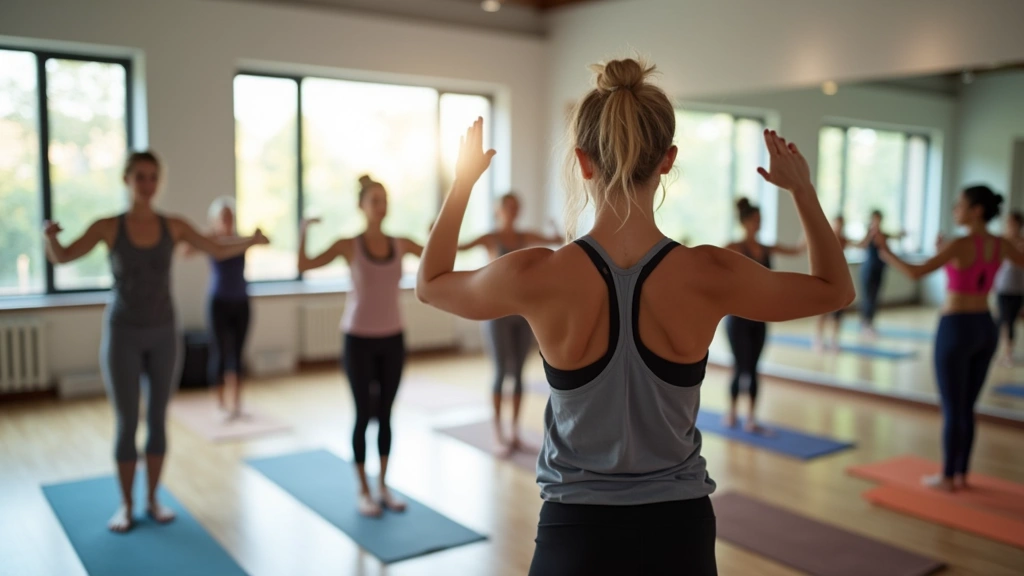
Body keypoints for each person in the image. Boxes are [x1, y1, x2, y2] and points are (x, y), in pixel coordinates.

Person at [416, 59, 853, 575]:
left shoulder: (538, 273)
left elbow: (431, 283)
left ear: (583, 162)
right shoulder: (709, 272)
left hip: (574, 533)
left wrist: (463, 183)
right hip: (679, 532)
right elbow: (835, 289)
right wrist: (802, 190)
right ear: (667, 160)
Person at [42, 151, 268, 532]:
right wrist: (49, 237)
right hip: (123, 334)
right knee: (128, 422)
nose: (147, 184)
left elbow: (216, 247)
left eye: (153, 177)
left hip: (164, 334)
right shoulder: (109, 226)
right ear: (126, 180)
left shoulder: (173, 225)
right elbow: (63, 257)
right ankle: (126, 505)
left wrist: (253, 240)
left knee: (159, 420)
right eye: (140, 177)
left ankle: (152, 499)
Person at [876, 185, 1024, 492]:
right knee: (967, 407)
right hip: (985, 326)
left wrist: (887, 254)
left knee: (953, 407)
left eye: (960, 205)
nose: (955, 209)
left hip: (956, 327)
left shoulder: (960, 244)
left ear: (977, 211)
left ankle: (947, 477)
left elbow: (916, 273)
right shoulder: (1001, 244)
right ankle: (961, 475)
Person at [298, 175, 423, 518]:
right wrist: (304, 229)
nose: (381, 206)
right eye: (374, 200)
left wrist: (439, 226)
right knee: (363, 414)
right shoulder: (348, 245)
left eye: (384, 200)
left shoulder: (401, 243)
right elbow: (304, 265)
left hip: (393, 338)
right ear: (361, 206)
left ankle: (382, 485)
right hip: (358, 340)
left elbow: (441, 255)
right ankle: (363, 490)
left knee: (386, 414)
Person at [458, 192, 562, 454]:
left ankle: (514, 431)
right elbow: (460, 247)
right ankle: (498, 433)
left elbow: (556, 241)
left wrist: (554, 229)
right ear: (498, 210)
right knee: (501, 371)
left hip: (523, 315)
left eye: (516, 207)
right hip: (497, 315)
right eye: (508, 207)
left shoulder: (525, 237)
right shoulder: (490, 238)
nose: (512, 211)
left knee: (518, 374)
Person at [723, 198, 805, 431]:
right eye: (755, 220)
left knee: (754, 368)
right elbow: (709, 266)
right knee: (740, 367)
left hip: (759, 319)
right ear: (745, 222)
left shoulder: (767, 248)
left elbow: (798, 250)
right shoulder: (733, 247)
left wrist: (810, 217)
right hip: (738, 320)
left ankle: (751, 417)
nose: (758, 224)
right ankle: (732, 413)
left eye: (761, 220)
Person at [202, 196, 253, 418]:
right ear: (215, 220)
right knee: (220, 354)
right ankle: (220, 404)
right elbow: (185, 251)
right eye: (223, 217)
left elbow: (266, 240)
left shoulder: (241, 241)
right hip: (219, 303)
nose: (228, 221)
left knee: (237, 355)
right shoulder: (211, 242)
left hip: (241, 302)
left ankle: (237, 403)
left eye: (230, 217)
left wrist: (253, 239)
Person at [856, 210, 903, 337]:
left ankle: (870, 323)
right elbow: (861, 245)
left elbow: (892, 239)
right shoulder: (869, 234)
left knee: (875, 297)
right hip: (868, 270)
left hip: (879, 269)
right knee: (867, 297)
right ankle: (865, 324)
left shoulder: (883, 235)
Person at [815, 215, 851, 350]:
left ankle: (834, 340)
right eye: (837, 224)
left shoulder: (844, 239)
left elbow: (860, 245)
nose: (839, 227)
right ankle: (818, 339)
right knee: (823, 311)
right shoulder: (826, 238)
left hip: (840, 276)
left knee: (839, 311)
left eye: (841, 224)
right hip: (826, 276)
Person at [995, 211, 1024, 366]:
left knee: (1011, 321)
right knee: (1002, 321)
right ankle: (1001, 351)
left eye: (1012, 223)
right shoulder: (1002, 242)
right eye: (1008, 223)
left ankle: (1008, 353)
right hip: (1003, 287)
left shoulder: (1021, 243)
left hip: (1018, 289)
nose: (1010, 226)